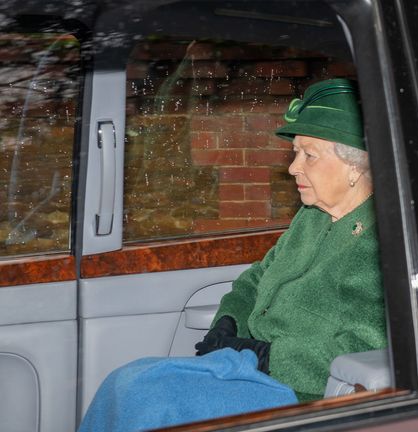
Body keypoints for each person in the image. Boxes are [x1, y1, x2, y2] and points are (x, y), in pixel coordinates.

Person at [79, 78, 387, 431]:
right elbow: (255, 279)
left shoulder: (379, 242)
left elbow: (364, 348)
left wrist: (266, 356)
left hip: (299, 391)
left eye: (309, 155)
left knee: (148, 401)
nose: (293, 167)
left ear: (355, 165)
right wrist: (229, 321)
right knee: (126, 381)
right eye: (295, 153)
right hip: (250, 367)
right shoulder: (312, 218)